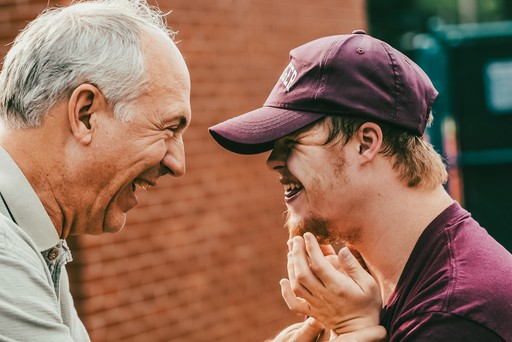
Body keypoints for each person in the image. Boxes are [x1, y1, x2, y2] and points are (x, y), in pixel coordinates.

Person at [209, 30, 512, 341]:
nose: (273, 161)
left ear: (366, 143)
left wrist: (353, 330)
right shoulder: (383, 285)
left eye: (292, 142)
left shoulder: (453, 317)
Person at [0, 0, 190, 340]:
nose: (178, 163)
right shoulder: (5, 251)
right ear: (86, 115)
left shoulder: (33, 236)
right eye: (169, 128)